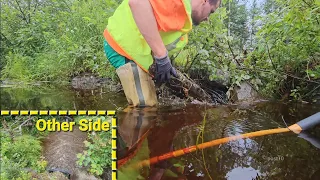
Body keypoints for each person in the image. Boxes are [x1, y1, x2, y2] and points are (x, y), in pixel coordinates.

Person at [103, 0, 221, 108]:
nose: (207, 19)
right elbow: (137, 2)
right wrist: (161, 56)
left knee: (149, 108)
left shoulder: (182, 16)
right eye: (211, 12)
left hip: (136, 53)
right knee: (144, 108)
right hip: (122, 48)